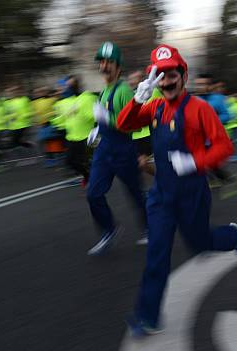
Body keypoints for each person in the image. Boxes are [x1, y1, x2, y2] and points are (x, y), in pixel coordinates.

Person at [116, 44, 237, 336]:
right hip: (162, 194)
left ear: (183, 75)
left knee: (200, 243)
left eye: (172, 74)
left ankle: (232, 235)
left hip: (192, 193)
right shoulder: (153, 106)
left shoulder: (200, 109)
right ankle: (149, 317)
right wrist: (137, 100)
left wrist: (194, 162)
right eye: (160, 76)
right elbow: (123, 124)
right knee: (156, 255)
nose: (167, 81)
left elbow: (225, 147)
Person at [85, 41, 148, 253]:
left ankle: (151, 228)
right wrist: (97, 130)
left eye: (109, 62)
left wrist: (109, 120)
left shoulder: (124, 92)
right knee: (93, 193)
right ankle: (109, 230)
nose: (104, 65)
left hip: (124, 151)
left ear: (118, 66)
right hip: (104, 151)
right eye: (101, 62)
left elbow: (133, 124)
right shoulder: (103, 93)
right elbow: (104, 122)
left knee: (136, 193)